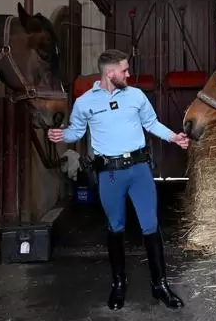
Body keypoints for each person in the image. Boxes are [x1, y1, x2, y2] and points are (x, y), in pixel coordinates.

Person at [47, 49, 189, 311]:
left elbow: (152, 123)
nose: (129, 74)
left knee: (150, 225)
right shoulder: (85, 102)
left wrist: (174, 137)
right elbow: (76, 131)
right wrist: (62, 135)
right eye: (124, 70)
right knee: (115, 227)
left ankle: (160, 285)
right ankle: (119, 285)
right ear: (109, 73)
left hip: (139, 171)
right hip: (109, 174)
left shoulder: (136, 96)